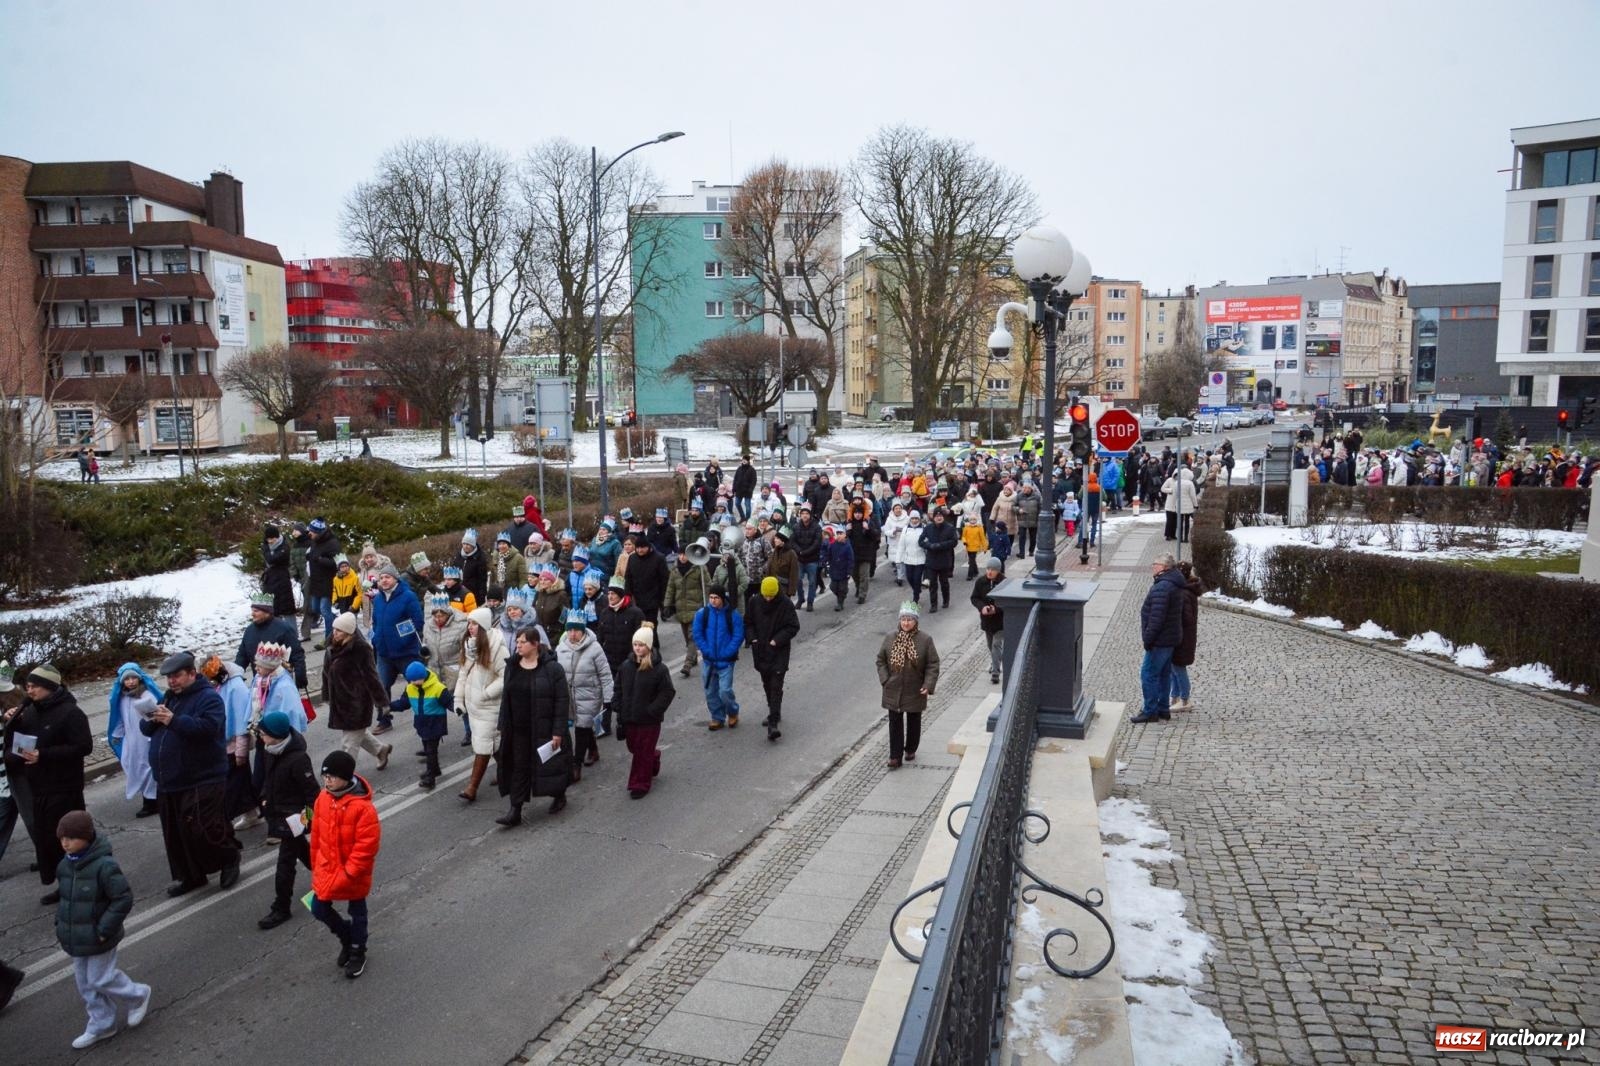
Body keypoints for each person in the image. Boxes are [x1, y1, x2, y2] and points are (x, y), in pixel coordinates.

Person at [52, 810, 152, 1050]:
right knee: (85, 983)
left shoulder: (104, 865)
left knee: (100, 978)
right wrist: (61, 925)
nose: (65, 843)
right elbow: (65, 900)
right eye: (62, 838)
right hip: (76, 938)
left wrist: (104, 929)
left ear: (86, 837)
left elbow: (122, 898)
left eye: (71, 838)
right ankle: (102, 1023)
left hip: (99, 936)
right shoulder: (65, 866)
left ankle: (138, 995)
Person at [144, 652, 242, 897]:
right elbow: (148, 728)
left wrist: (174, 720)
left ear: (191, 673)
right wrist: (151, 717)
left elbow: (208, 729)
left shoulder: (208, 698)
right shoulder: (169, 698)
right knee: (176, 834)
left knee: (203, 829)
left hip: (202, 777)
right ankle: (191, 875)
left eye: (177, 676)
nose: (172, 682)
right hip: (169, 780)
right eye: (168, 678)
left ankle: (229, 857)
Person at [13, 664, 92, 905]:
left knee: (70, 839)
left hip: (65, 787)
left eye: (34, 686)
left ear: (49, 687)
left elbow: (83, 747)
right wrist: (13, 722)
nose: (30, 691)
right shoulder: (31, 711)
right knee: (50, 841)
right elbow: (21, 744)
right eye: (27, 686)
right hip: (40, 787)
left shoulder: (70, 713)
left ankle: (85, 882)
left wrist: (44, 755)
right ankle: (64, 884)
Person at [309, 750, 381, 980]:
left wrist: (350, 872)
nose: (327, 781)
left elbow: (366, 846)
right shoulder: (323, 798)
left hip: (353, 873)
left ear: (346, 777)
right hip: (327, 867)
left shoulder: (363, 808)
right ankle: (346, 937)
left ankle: (358, 950)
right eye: (325, 776)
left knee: (357, 910)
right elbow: (317, 835)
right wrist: (316, 863)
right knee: (318, 907)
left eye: (331, 777)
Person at [253, 711, 321, 931]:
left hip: (294, 818)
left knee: (285, 863)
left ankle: (281, 907)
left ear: (276, 735)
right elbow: (268, 778)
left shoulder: (298, 759)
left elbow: (313, 794)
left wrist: (309, 821)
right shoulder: (269, 750)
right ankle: (329, 875)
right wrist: (264, 797)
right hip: (277, 813)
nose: (260, 736)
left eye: (263, 733)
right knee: (304, 852)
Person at [321, 613, 392, 769]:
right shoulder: (332, 647)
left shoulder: (361, 649)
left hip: (357, 704)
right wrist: (326, 695)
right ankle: (381, 750)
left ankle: (344, 776)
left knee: (349, 744)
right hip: (340, 703)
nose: (335, 633)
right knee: (357, 733)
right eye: (334, 629)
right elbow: (326, 673)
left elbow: (371, 677)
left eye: (339, 630)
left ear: (348, 632)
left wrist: (382, 701)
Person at [876, 603, 940, 769]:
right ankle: (895, 757)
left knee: (913, 720)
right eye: (903, 619)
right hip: (893, 688)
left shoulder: (925, 640)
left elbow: (932, 664)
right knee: (894, 723)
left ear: (915, 621)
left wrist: (928, 684)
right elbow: (881, 660)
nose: (906, 623)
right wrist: (885, 679)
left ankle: (911, 748)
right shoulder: (890, 638)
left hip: (915, 688)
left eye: (909, 619)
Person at [615, 628, 675, 799]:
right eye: (635, 644)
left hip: (649, 720)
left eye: (641, 645)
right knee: (634, 747)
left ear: (649, 646)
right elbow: (618, 687)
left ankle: (639, 784)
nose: (638, 648)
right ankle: (653, 756)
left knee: (642, 751)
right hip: (630, 718)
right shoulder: (626, 667)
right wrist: (617, 704)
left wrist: (653, 710)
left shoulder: (659, 669)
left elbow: (667, 692)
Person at [455, 607, 507, 803]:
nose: (470, 627)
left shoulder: (497, 648)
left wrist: (486, 694)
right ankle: (510, 772)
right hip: (473, 707)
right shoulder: (469, 647)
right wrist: (458, 700)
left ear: (484, 626)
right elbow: (463, 675)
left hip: (490, 707)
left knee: (484, 746)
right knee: (494, 746)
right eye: (469, 623)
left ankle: (472, 787)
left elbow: (505, 676)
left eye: (475, 624)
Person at [555, 609, 613, 777]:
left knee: (582, 727)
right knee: (583, 726)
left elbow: (605, 674)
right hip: (569, 696)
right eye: (570, 630)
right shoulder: (561, 647)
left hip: (590, 695)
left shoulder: (595, 648)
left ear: (583, 631)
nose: (572, 634)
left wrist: (608, 699)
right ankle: (593, 750)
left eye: (576, 630)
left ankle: (576, 764)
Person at [369, 563, 424, 734]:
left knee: (416, 686)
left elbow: (418, 622)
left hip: (406, 652)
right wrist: (376, 638)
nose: (384, 580)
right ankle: (384, 720)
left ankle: (423, 718)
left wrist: (402, 638)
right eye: (382, 578)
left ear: (395, 579)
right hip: (384, 653)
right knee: (380, 686)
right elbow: (376, 621)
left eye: (387, 577)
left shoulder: (408, 597)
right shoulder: (377, 598)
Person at [1132, 553, 1186, 724]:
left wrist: (1148, 639)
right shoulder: (1173, 583)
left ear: (1164, 567)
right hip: (1170, 638)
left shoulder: (1162, 587)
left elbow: (1157, 618)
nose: (1152, 566)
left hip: (1161, 640)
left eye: (1155, 563)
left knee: (1148, 674)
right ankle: (1163, 709)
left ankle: (1150, 711)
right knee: (1163, 674)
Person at [744, 576, 799, 741]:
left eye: (771, 596)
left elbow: (793, 626)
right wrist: (752, 638)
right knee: (767, 684)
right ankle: (774, 710)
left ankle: (772, 723)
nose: (768, 599)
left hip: (779, 652)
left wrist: (777, 640)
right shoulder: (754, 602)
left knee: (776, 686)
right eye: (766, 596)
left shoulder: (786, 604)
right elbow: (748, 622)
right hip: (761, 651)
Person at [108, 663, 162, 818]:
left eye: (133, 678)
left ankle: (151, 801)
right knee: (132, 765)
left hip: (146, 739)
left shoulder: (146, 695)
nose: (131, 681)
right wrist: (117, 735)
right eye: (127, 679)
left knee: (147, 768)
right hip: (131, 740)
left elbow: (153, 716)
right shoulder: (123, 698)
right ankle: (150, 798)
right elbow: (120, 718)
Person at [692, 585, 744, 729]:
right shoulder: (703, 614)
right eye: (711, 597)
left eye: (716, 598)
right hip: (709, 661)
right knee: (710, 692)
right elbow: (697, 633)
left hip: (726, 662)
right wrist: (706, 650)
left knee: (725, 691)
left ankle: (733, 711)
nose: (713, 600)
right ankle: (717, 717)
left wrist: (727, 653)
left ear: (722, 598)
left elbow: (738, 636)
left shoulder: (732, 615)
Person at [394, 661, 450, 790]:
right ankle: (435, 770)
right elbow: (404, 703)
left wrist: (459, 709)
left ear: (424, 676)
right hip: (422, 725)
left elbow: (449, 702)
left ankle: (430, 778)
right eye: (411, 680)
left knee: (431, 751)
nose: (414, 683)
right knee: (428, 749)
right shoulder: (410, 688)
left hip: (436, 724)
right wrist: (389, 706)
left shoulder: (438, 688)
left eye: (417, 679)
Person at [235, 592, 309, 690]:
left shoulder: (283, 629)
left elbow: (297, 654)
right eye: (252, 610)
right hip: (259, 684)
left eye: (256, 611)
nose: (252, 614)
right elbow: (242, 656)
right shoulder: (249, 631)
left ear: (267, 612)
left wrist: (300, 677)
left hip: (281, 684)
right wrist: (236, 676)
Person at [662, 548, 707, 678]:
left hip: (696, 608)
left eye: (685, 554)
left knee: (693, 636)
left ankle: (687, 664)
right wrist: (667, 604)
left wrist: (708, 604)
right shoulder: (675, 570)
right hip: (681, 609)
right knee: (687, 638)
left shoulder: (699, 568)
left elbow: (707, 586)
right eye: (680, 554)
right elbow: (670, 588)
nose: (682, 557)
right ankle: (692, 657)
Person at [1170, 561, 1202, 713]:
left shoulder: (1183, 594)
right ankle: (1175, 696)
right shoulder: (1186, 590)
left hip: (1182, 638)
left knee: (1178, 667)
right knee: (1174, 667)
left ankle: (1185, 699)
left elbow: (1186, 618)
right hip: (1182, 636)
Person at [305, 517, 342, 641]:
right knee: (315, 608)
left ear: (319, 532)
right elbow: (313, 554)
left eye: (312, 531)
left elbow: (337, 562)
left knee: (324, 610)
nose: (309, 533)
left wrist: (320, 560)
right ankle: (337, 622)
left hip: (328, 582)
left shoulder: (333, 543)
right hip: (316, 582)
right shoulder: (314, 541)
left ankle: (329, 638)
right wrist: (309, 556)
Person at [971, 556, 1007, 684]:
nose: (989, 572)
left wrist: (995, 609)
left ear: (998, 570)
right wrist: (982, 607)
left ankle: (995, 673)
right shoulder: (981, 582)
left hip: (1000, 621)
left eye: (992, 569)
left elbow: (1006, 602)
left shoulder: (1004, 583)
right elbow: (974, 598)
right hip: (987, 621)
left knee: (996, 645)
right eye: (988, 569)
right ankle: (995, 662)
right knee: (990, 646)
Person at [918, 507, 958, 612]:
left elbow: (954, 542)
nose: (939, 518)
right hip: (932, 560)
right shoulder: (928, 528)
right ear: (933, 517)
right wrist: (930, 545)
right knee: (933, 584)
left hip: (944, 559)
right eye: (936, 516)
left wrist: (941, 545)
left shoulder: (949, 528)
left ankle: (946, 600)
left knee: (944, 583)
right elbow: (921, 541)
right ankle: (933, 605)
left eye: (940, 516)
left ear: (943, 517)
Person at [624, 534, 670, 623]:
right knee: (637, 624)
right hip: (636, 598)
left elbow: (664, 579)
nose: (640, 550)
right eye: (638, 548)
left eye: (643, 547)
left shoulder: (659, 558)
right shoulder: (632, 558)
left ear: (648, 547)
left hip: (653, 598)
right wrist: (627, 594)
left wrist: (662, 599)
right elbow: (628, 577)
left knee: (650, 625)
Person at [261, 524, 297, 620]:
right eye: (268, 539)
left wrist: (270, 555)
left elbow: (272, 559)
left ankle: (291, 633)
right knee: (273, 609)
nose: (270, 541)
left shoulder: (284, 547)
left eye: (272, 538)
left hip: (282, 580)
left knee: (287, 608)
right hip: (269, 581)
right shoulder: (266, 546)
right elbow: (269, 558)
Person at [767, 525, 801, 602]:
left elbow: (794, 573)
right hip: (773, 586)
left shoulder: (791, 554)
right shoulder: (774, 551)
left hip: (784, 588)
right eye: (775, 538)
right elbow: (770, 567)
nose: (775, 540)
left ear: (783, 541)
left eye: (777, 538)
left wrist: (791, 591)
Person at [454, 528, 488, 604]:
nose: (465, 546)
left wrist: (481, 597)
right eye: (464, 544)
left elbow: (482, 579)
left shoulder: (480, 558)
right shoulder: (459, 556)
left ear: (473, 545)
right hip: (459, 592)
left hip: (473, 593)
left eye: (468, 544)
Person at [960, 510, 988, 580]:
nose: (973, 521)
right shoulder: (966, 528)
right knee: (972, 560)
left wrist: (985, 548)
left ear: (976, 520)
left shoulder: (979, 528)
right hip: (968, 546)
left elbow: (983, 538)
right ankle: (976, 571)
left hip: (975, 547)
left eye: (974, 519)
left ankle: (970, 575)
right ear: (969, 520)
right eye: (971, 519)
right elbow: (963, 536)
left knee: (971, 561)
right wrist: (964, 541)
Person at [732, 453, 758, 521]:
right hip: (739, 490)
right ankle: (742, 517)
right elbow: (735, 479)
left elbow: (754, 481)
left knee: (748, 506)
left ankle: (748, 519)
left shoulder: (752, 470)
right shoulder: (739, 469)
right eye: (743, 460)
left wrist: (750, 489)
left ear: (748, 461)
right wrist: (734, 488)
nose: (744, 461)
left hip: (747, 491)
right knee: (737, 504)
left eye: (745, 460)